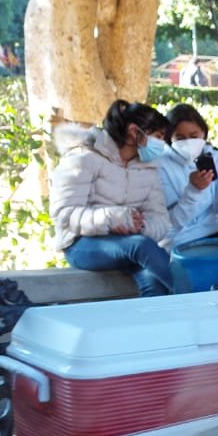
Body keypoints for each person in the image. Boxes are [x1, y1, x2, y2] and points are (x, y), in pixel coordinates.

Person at [49, 99, 173, 296]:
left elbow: (160, 219)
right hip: (81, 244)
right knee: (141, 246)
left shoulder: (148, 167)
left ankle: (153, 326)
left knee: (154, 282)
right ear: (134, 131)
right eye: (158, 137)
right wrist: (113, 219)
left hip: (129, 244)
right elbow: (64, 214)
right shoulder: (83, 157)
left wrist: (140, 225)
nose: (162, 144)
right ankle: (198, 297)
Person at [160, 103, 218, 247]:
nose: (188, 142)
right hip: (180, 240)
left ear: (203, 133)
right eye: (180, 138)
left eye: (194, 136)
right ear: (169, 139)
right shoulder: (160, 166)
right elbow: (175, 221)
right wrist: (193, 191)